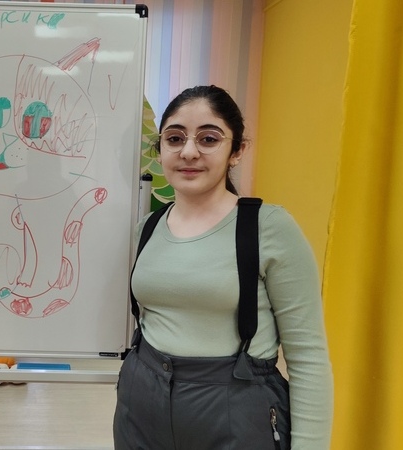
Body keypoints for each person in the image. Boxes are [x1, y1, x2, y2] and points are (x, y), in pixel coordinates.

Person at [113, 85, 333, 449]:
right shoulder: (148, 228)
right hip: (140, 406)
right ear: (161, 148)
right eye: (175, 138)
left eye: (209, 139)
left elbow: (308, 356)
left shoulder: (268, 227)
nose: (188, 152)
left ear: (237, 151)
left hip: (236, 410)